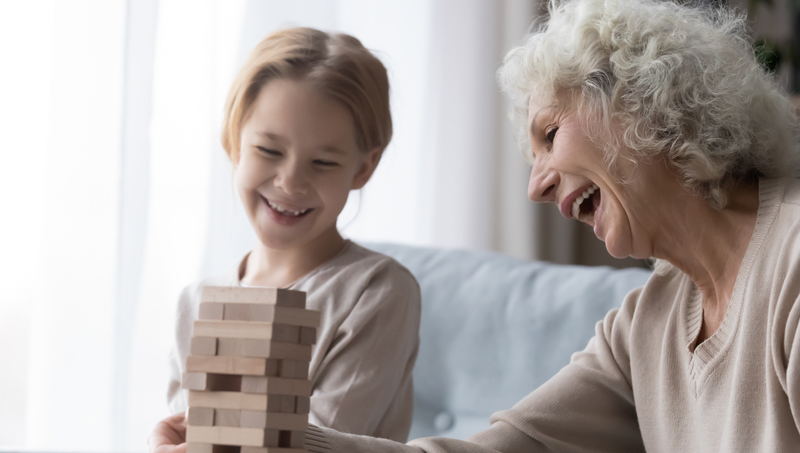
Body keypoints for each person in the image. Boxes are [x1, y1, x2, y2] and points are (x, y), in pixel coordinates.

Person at [151, 0, 800, 451]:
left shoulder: (791, 258)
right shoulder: (645, 325)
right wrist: (284, 440)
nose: (536, 185)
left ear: (644, 105)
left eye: (550, 134)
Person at [148, 27, 421, 451]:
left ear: (363, 168)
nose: (290, 182)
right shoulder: (195, 300)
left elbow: (323, 442)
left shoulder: (376, 292)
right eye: (270, 151)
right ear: (234, 139)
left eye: (324, 161)